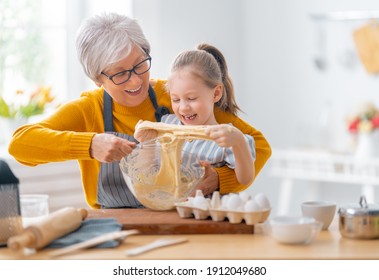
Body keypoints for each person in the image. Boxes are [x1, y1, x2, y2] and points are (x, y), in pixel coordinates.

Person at [8, 12, 271, 209]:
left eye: (139, 65)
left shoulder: (177, 96)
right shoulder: (89, 109)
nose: (135, 81)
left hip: (184, 216)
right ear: (97, 79)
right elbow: (20, 145)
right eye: (120, 74)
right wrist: (90, 145)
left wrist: (219, 179)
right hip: (115, 226)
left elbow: (257, 146)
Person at [135, 44, 256, 186]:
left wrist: (239, 143)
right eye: (176, 99)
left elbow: (245, 179)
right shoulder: (165, 125)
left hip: (205, 208)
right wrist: (145, 144)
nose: (183, 108)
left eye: (191, 98)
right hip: (165, 206)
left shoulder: (227, 138)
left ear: (216, 93)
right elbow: (145, 177)